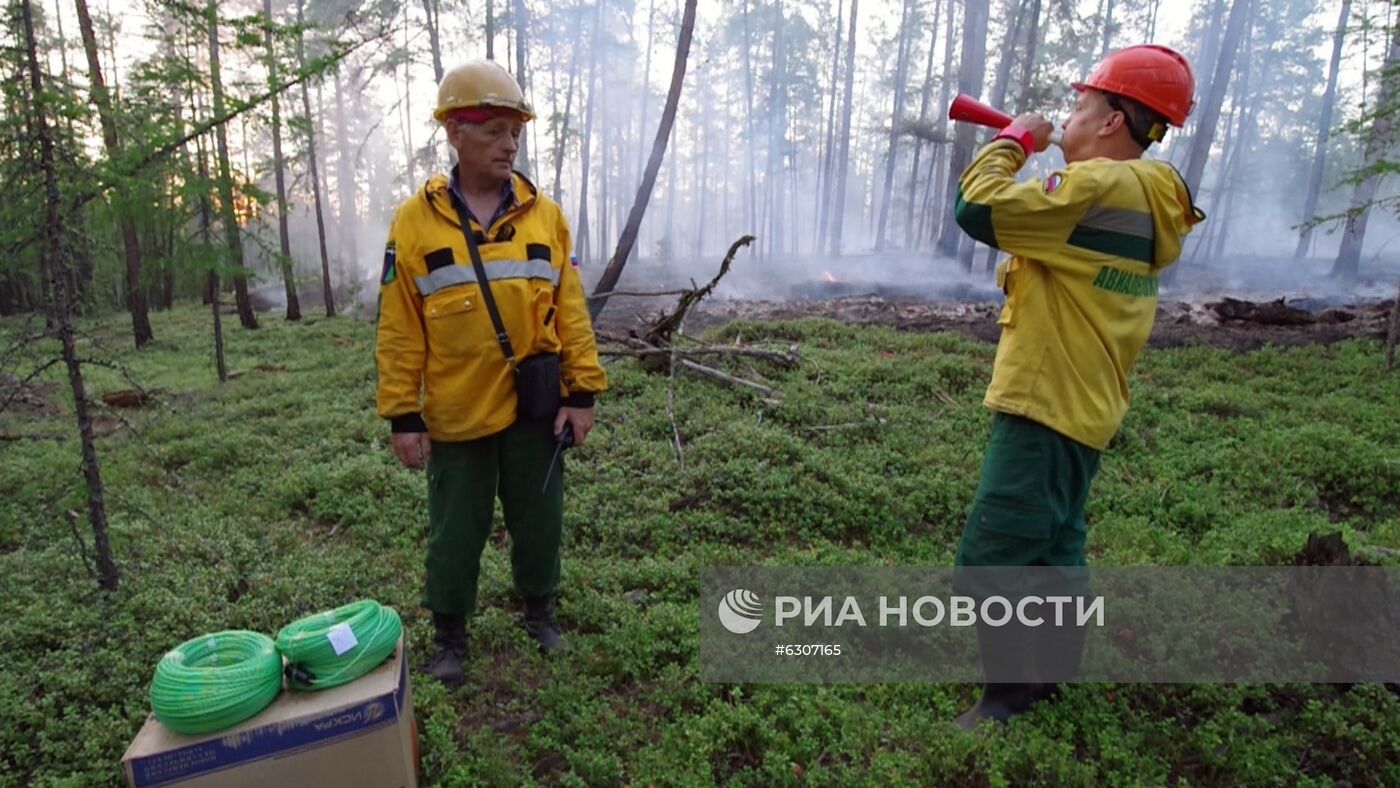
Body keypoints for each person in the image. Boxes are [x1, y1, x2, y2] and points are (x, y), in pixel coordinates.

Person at [949, 44, 1205, 727]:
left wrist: (1014, 140)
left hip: (1045, 404)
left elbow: (978, 210)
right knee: (1057, 548)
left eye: (1082, 103)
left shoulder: (1093, 191)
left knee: (993, 554)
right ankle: (1053, 678)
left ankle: (1005, 699)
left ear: (1116, 121)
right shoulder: (1151, 197)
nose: (1069, 116)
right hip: (1089, 406)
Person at [375, 59, 608, 685]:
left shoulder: (546, 218)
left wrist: (581, 394)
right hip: (456, 413)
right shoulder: (414, 223)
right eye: (495, 131)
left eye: (515, 133)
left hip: (534, 410)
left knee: (540, 517)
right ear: (455, 131)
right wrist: (403, 412)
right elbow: (400, 326)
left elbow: (573, 313)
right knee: (455, 530)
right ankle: (449, 635)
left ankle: (540, 611)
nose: (510, 145)